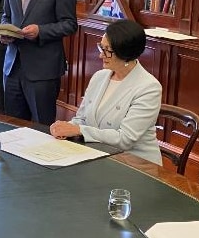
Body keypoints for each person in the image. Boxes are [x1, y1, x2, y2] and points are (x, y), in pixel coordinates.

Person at [50, 20, 163, 165]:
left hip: (134, 164)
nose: (100, 56)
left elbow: (125, 139)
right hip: (96, 155)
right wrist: (64, 129)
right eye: (101, 48)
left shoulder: (148, 88)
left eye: (107, 50)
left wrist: (78, 130)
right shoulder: (100, 77)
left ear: (126, 53)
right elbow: (81, 119)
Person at [0, 0, 77, 125]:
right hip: (12, 66)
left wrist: (40, 31)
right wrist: (4, 31)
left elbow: (69, 24)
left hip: (43, 70)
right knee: (13, 127)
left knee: (41, 128)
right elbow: (6, 16)